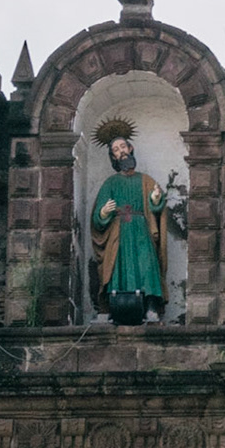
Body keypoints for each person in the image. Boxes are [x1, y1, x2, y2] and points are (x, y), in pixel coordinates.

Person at [90, 131, 167, 324]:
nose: (121, 151)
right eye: (116, 150)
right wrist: (104, 213)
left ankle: (150, 308)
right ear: (113, 157)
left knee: (147, 266)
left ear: (130, 148)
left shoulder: (146, 180)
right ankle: (113, 309)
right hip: (118, 232)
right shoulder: (111, 183)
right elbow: (97, 217)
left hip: (142, 230)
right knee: (116, 267)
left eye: (123, 147)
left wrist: (156, 199)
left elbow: (156, 204)